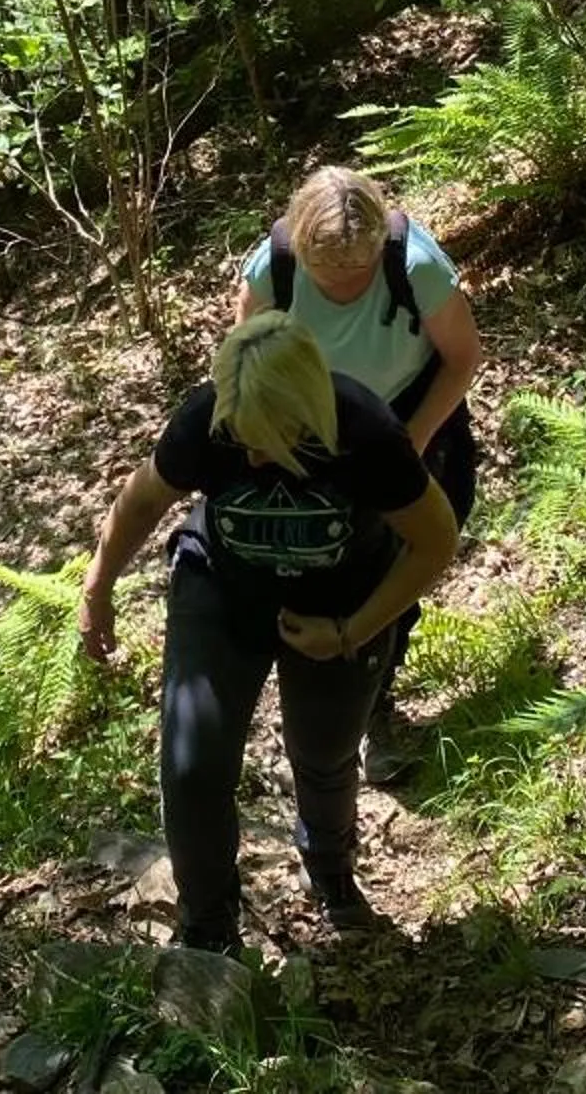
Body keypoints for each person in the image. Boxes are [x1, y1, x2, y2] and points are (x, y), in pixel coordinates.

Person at [78, 312, 460, 950]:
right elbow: (141, 499)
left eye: (268, 440)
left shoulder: (364, 432)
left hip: (343, 603)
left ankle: (332, 877)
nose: (251, 454)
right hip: (222, 594)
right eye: (241, 436)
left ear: (305, 412)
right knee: (192, 761)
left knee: (324, 753)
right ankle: (209, 930)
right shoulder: (208, 420)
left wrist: (349, 631)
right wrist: (97, 587)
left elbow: (435, 541)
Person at [236, 165, 482, 781]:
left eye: (359, 269)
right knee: (344, 559)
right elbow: (249, 361)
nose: (345, 283)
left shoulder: (416, 265)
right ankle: (349, 707)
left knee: (412, 552)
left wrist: (413, 439)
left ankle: (371, 693)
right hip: (315, 418)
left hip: (409, 410)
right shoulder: (276, 267)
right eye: (330, 273)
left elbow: (462, 357)